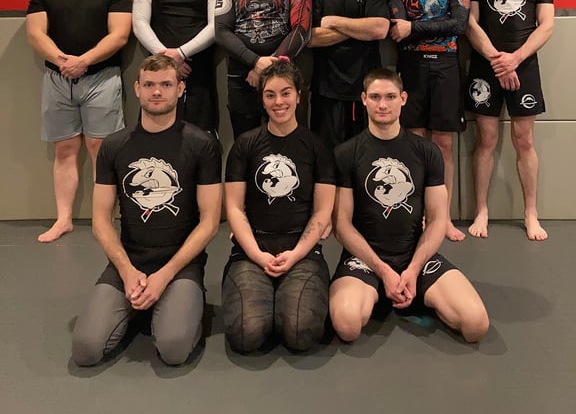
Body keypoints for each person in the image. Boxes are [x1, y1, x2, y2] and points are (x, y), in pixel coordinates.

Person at [72, 55, 222, 366]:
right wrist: (127, 272)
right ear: (137, 89)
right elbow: (101, 220)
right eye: (149, 85)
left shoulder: (202, 145)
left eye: (166, 84)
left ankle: (178, 306)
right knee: (86, 349)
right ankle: (143, 304)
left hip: (180, 265)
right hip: (130, 261)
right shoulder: (114, 146)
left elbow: (209, 223)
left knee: (173, 350)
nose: (157, 92)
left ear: (180, 89)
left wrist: (165, 274)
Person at [329, 68, 489, 344]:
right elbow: (342, 226)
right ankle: (385, 289)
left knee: (475, 325)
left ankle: (414, 290)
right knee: (347, 325)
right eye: (375, 97)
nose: (383, 104)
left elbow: (437, 219)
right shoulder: (346, 153)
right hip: (365, 260)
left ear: (403, 99)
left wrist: (413, 269)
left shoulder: (427, 152)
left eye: (390, 97)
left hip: (414, 257)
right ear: (364, 99)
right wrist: (383, 271)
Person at [26, 0, 132, 243]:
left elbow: (119, 35)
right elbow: (35, 34)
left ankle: (103, 220)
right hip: (58, 79)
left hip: (102, 78)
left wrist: (83, 61)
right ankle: (64, 219)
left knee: (101, 149)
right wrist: (64, 62)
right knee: (64, 149)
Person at [222, 60, 335, 353]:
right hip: (252, 251)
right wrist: (256, 255)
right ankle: (266, 299)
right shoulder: (245, 145)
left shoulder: (317, 146)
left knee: (300, 332)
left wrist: (297, 253)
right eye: (270, 95)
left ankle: (285, 298)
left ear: (298, 95)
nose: (278, 102)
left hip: (302, 251)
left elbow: (322, 211)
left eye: (286, 93)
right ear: (262, 99)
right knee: (246, 335)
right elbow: (234, 208)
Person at [465, 0, 554, 241]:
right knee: (486, 139)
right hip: (484, 66)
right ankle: (481, 210)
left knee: (524, 140)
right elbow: (470, 23)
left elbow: (546, 25)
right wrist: (497, 59)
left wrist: (515, 58)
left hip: (524, 65)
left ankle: (531, 212)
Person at [385, 0, 470, 241]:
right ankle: (419, 215)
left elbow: (459, 24)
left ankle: (443, 217)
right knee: (416, 143)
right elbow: (398, 30)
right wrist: (418, 28)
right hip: (412, 66)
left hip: (447, 64)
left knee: (444, 144)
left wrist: (415, 27)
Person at [215, 0, 312, 138]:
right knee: (245, 142)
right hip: (241, 77)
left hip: (284, 74)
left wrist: (268, 67)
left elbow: (302, 29)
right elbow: (221, 31)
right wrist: (255, 62)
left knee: (289, 140)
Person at [133, 0, 221, 133]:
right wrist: (167, 58)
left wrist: (181, 53)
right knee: (155, 136)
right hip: (157, 74)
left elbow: (215, 26)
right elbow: (139, 22)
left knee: (201, 137)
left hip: (198, 73)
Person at [308, 0, 390, 149]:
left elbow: (380, 29)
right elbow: (311, 38)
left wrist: (334, 22)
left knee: (364, 155)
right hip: (326, 90)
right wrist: (360, 28)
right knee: (327, 157)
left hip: (365, 90)